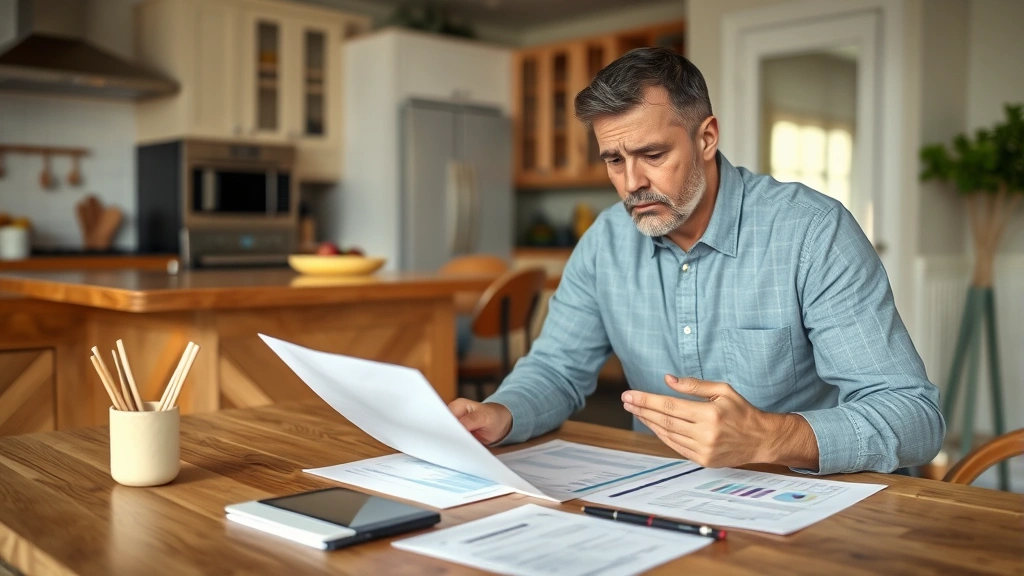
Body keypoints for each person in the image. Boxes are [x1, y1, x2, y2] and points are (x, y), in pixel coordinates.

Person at [448, 48, 944, 475]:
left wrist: (772, 437)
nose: (632, 183)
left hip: (805, 497)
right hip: (661, 493)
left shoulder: (812, 233)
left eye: (653, 154)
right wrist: (501, 413)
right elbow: (556, 369)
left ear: (706, 138)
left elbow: (913, 415)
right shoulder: (604, 243)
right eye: (614, 160)